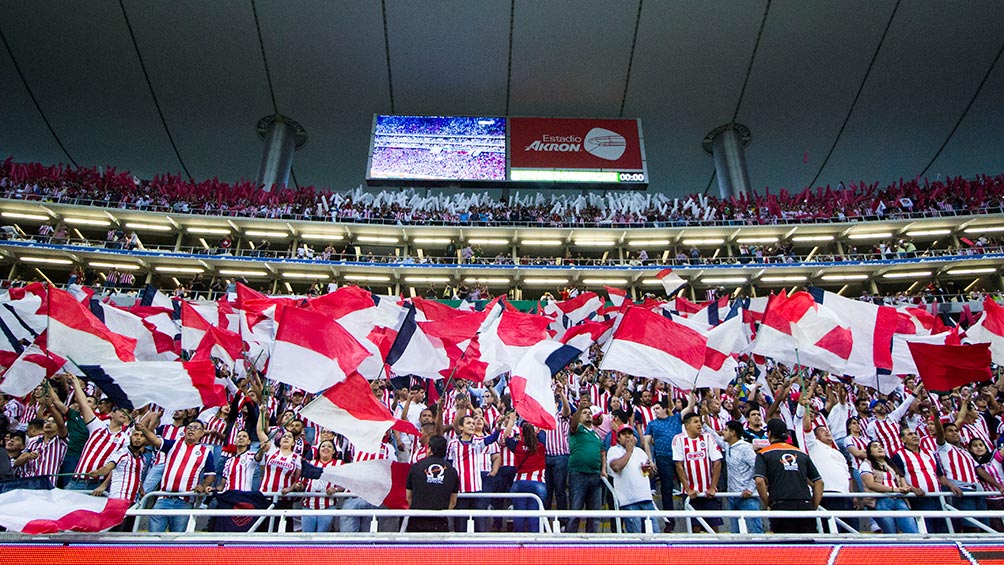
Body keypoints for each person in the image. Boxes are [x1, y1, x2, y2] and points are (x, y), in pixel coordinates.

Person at [137, 414, 216, 533]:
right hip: (163, 498)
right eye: (189, 427)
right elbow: (155, 440)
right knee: (153, 537)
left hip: (184, 501)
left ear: (202, 433)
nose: (191, 430)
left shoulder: (206, 452)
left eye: (196, 428)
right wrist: (143, 429)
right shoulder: (173, 445)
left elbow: (210, 474)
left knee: (177, 539)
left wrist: (203, 486)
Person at [754, 418, 823, 534]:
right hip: (805, 506)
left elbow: (759, 481)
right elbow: (819, 482)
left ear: (769, 433)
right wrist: (813, 506)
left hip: (780, 506)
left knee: (786, 548)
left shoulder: (763, 453)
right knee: (808, 548)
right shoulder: (801, 453)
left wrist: (768, 503)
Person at [707, 420, 762, 534]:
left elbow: (757, 468)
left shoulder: (746, 448)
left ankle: (761, 551)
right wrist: (704, 424)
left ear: (733, 433)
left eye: (726, 430)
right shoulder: (728, 446)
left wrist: (750, 489)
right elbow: (716, 437)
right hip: (732, 495)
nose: (723, 432)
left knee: (755, 531)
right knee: (735, 533)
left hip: (747, 497)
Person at [673, 412, 722, 532]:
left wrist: (713, 487)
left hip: (708, 492)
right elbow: (679, 465)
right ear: (687, 425)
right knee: (695, 528)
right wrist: (688, 489)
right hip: (691, 493)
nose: (699, 424)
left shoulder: (707, 437)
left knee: (714, 528)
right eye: (695, 422)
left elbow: (717, 462)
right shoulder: (678, 440)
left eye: (700, 421)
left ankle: (718, 550)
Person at [607, 424, 660, 534]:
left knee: (655, 536)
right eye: (624, 434)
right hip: (629, 501)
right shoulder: (613, 451)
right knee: (636, 539)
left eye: (629, 433)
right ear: (618, 438)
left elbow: (648, 475)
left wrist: (649, 470)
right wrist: (629, 451)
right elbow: (616, 467)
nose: (627, 437)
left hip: (646, 498)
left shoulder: (640, 452)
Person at [859, 441, 918, 534]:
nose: (879, 448)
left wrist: (908, 488)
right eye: (875, 446)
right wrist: (893, 489)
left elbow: (903, 482)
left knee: (912, 531)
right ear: (870, 452)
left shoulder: (892, 465)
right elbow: (871, 484)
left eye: (881, 446)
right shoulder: (866, 464)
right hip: (881, 501)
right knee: (891, 533)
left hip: (899, 500)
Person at [406, 435, 459, 533]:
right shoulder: (452, 471)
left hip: (416, 522)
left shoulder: (415, 468)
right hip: (440, 523)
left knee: (415, 548)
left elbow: (408, 498)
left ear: (429, 449)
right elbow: (453, 502)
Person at [504, 415, 547, 533]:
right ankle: (535, 546)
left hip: (519, 483)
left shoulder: (517, 446)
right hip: (538, 484)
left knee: (519, 516)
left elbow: (506, 437)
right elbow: (542, 430)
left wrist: (512, 421)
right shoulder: (541, 445)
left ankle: (518, 545)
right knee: (534, 516)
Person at [567, 406, 603, 533]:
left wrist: (602, 470)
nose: (588, 414)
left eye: (590, 413)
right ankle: (570, 542)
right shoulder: (577, 429)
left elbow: (602, 453)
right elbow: (573, 423)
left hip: (595, 475)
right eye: (585, 413)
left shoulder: (596, 435)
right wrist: (578, 411)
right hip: (578, 474)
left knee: (595, 513)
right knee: (575, 510)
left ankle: (592, 542)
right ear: (579, 416)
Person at [301, 438, 343, 533]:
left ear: (333, 451)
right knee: (306, 538)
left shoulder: (339, 464)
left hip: (328, 506)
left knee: (322, 537)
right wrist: (299, 486)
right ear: (319, 451)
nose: (326, 448)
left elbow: (344, 484)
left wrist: (335, 489)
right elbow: (304, 483)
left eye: (329, 446)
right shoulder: (310, 463)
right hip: (308, 505)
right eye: (323, 446)